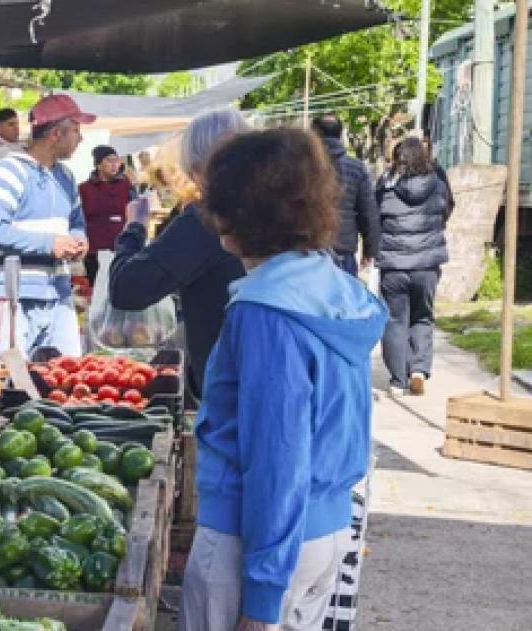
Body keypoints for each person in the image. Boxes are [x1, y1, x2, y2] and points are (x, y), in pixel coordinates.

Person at [181, 128, 386, 631]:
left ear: (236, 214)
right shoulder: (337, 289)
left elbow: (278, 457)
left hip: (254, 545)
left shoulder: (266, 312)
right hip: (324, 532)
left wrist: (262, 597)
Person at [108, 108, 248, 400]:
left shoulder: (210, 218)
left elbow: (128, 288)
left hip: (232, 386)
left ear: (196, 167)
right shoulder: (286, 208)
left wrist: (134, 228)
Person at [0, 94, 92, 359]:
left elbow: (76, 223)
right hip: (13, 297)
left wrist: (79, 239)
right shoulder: (8, 171)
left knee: (66, 378)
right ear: (56, 134)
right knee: (12, 382)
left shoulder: (66, 177)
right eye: (76, 131)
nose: (81, 138)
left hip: (59, 294)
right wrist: (50, 243)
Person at [376, 136, 452, 396]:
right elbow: (447, 210)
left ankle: (398, 380)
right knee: (422, 316)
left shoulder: (385, 184)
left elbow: (374, 217)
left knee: (395, 320)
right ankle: (418, 369)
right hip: (427, 264)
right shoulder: (438, 181)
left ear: (398, 159)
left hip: (394, 266)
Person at [311, 114, 380, 277]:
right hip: (343, 250)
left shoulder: (302, 166)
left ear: (315, 134)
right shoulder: (356, 167)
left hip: (308, 251)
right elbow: (368, 213)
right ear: (340, 134)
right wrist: (370, 250)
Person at [78, 145, 132, 284]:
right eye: (109, 161)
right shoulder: (84, 189)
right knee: (97, 290)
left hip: (121, 249)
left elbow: (135, 212)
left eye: (116, 161)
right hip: (95, 250)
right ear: (98, 164)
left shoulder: (126, 186)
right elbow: (77, 218)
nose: (114, 165)